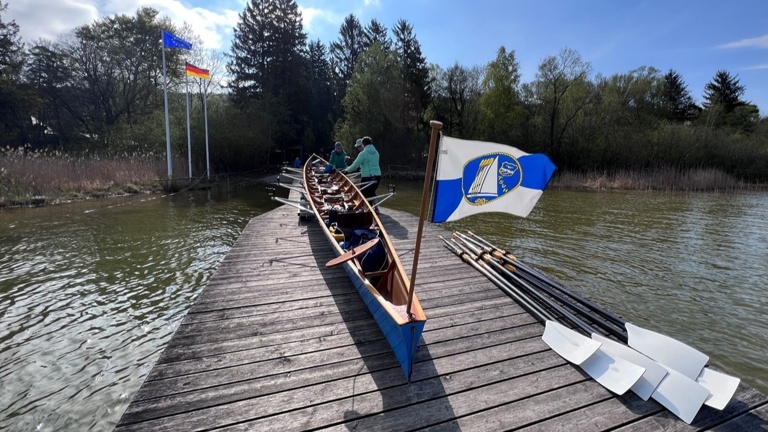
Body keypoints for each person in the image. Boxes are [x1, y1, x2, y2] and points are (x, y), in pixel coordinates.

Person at [343, 136, 381, 210]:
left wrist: (346, 171)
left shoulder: (363, 154)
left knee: (364, 194)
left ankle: (369, 211)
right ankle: (376, 209)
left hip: (368, 177)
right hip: (378, 176)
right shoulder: (376, 152)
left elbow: (355, 165)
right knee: (372, 192)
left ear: (363, 144)